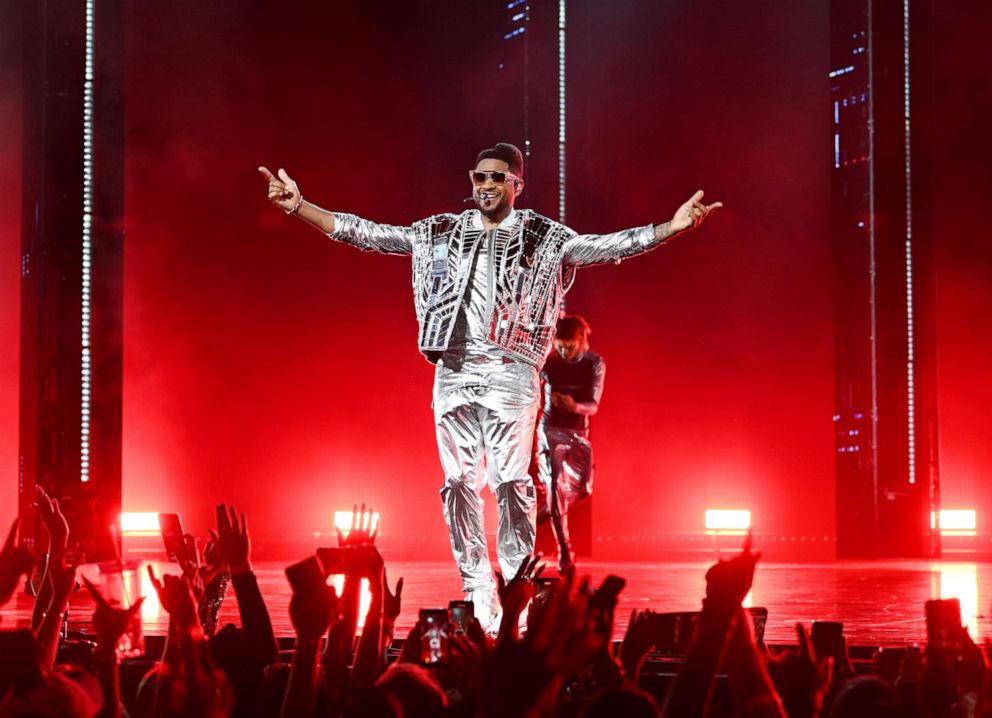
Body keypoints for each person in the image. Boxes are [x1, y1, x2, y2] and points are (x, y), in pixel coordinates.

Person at [259, 142, 721, 629]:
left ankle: (515, 591)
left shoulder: (544, 237)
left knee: (510, 484)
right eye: (479, 177)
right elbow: (369, 234)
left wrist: (671, 228)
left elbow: (607, 247)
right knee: (457, 484)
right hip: (453, 371)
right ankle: (479, 592)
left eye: (497, 178)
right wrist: (300, 207)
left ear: (516, 185)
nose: (485, 186)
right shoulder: (441, 232)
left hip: (512, 372)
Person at [537, 314, 603, 572]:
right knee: (555, 483)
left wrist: (574, 406)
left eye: (570, 347)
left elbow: (594, 406)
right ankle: (565, 551)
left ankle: (545, 512)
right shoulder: (549, 362)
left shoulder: (594, 363)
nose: (564, 352)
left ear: (582, 341)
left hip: (578, 433)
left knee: (584, 489)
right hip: (550, 430)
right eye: (560, 346)